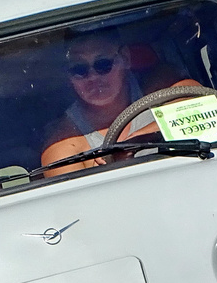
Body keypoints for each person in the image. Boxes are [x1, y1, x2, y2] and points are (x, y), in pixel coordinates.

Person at [40, 31, 199, 177]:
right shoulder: (63, 147)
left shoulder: (158, 84)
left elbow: (200, 105)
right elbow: (78, 205)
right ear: (69, 76)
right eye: (79, 69)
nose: (93, 77)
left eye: (103, 64)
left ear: (125, 58)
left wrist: (134, 143)